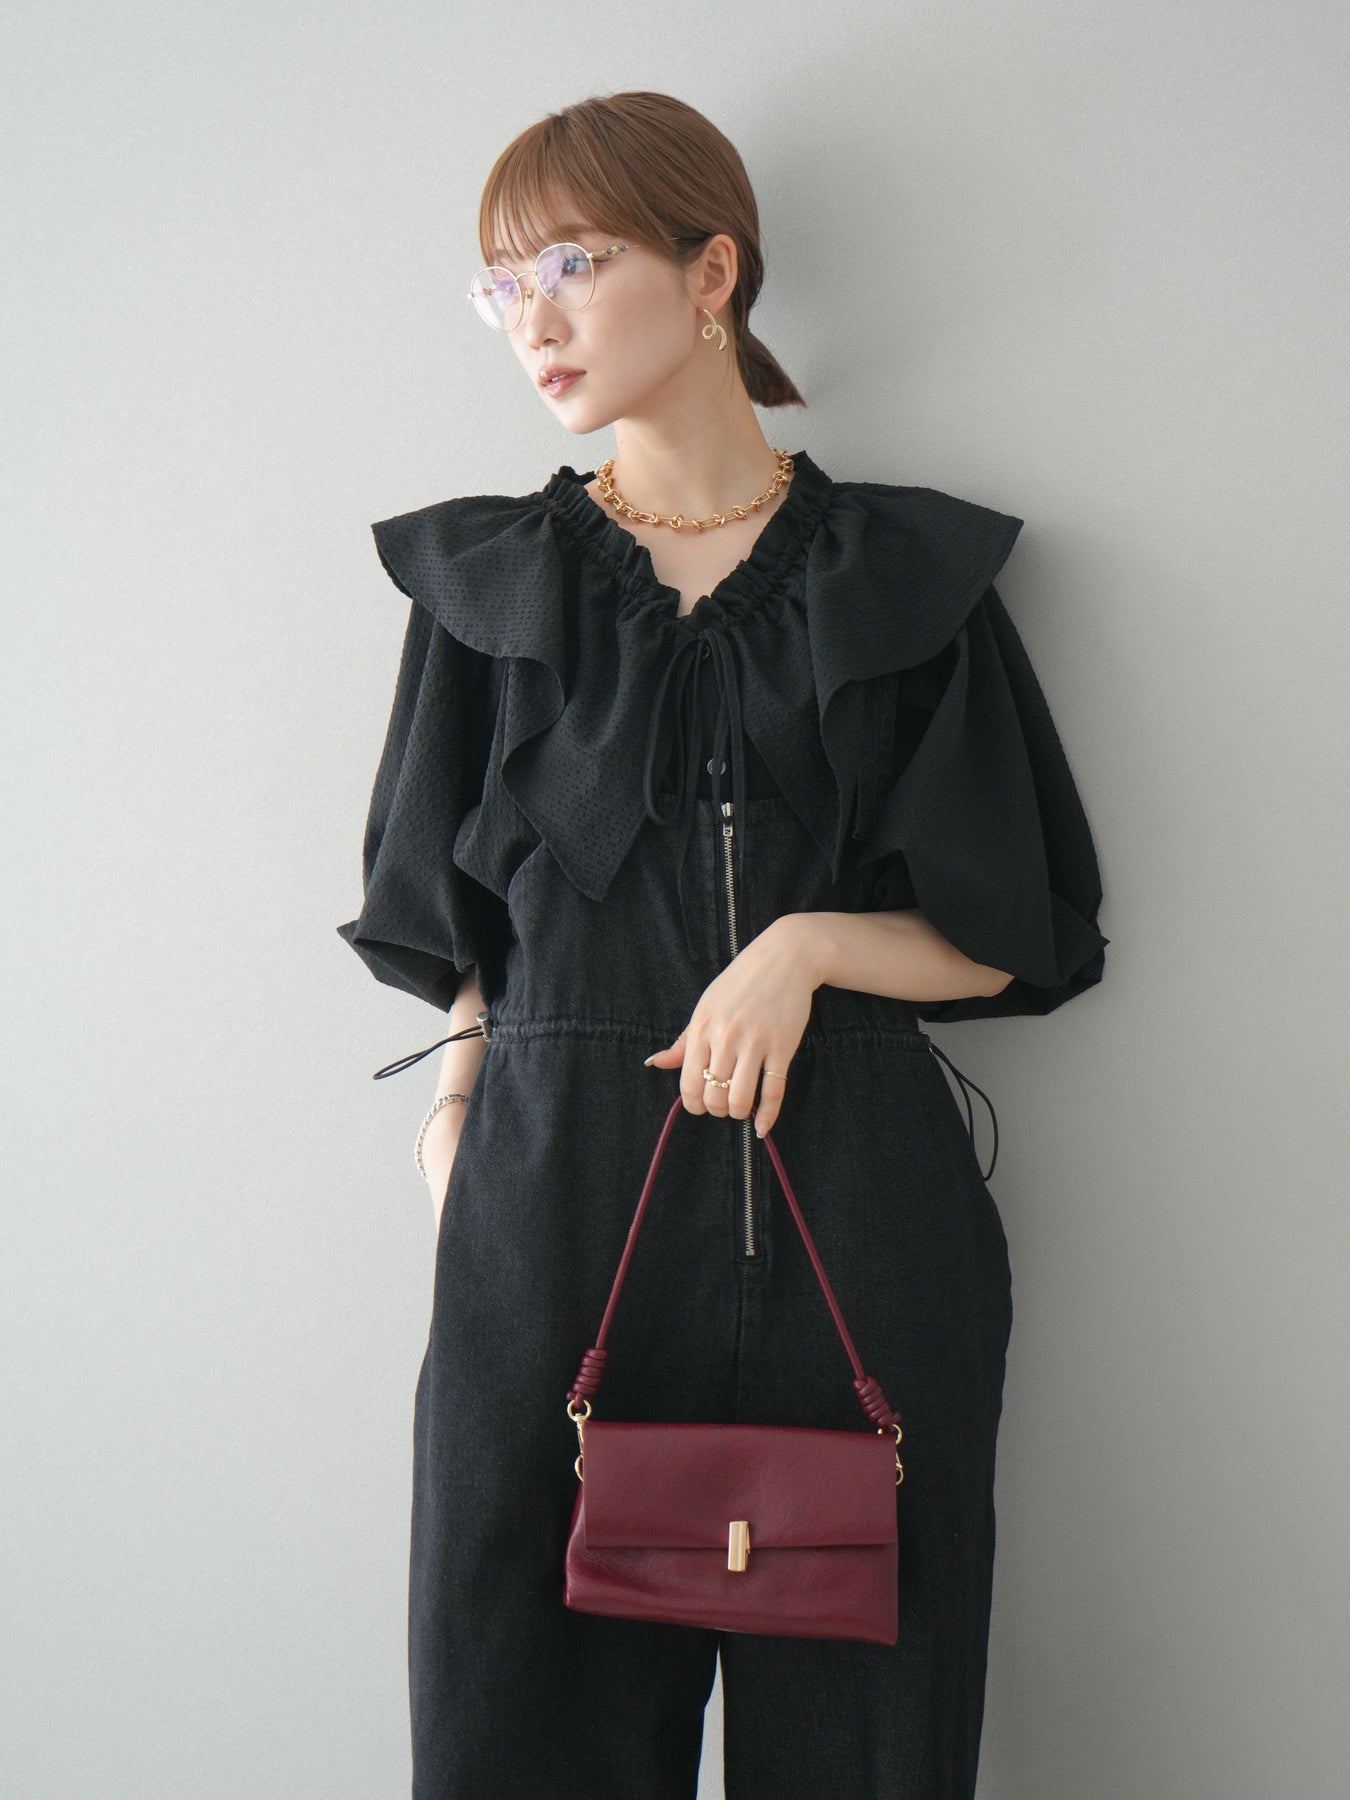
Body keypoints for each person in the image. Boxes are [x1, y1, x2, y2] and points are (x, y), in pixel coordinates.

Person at [336, 90, 1108, 1800]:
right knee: (516, 1729)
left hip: (860, 1213)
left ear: (710, 274)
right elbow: (458, 918)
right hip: (550, 1209)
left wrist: (806, 948)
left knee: (865, 1753)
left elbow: (1015, 934)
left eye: (572, 263)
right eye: (498, 284)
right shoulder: (491, 589)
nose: (530, 319)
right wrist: (460, 1116)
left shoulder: (899, 578)